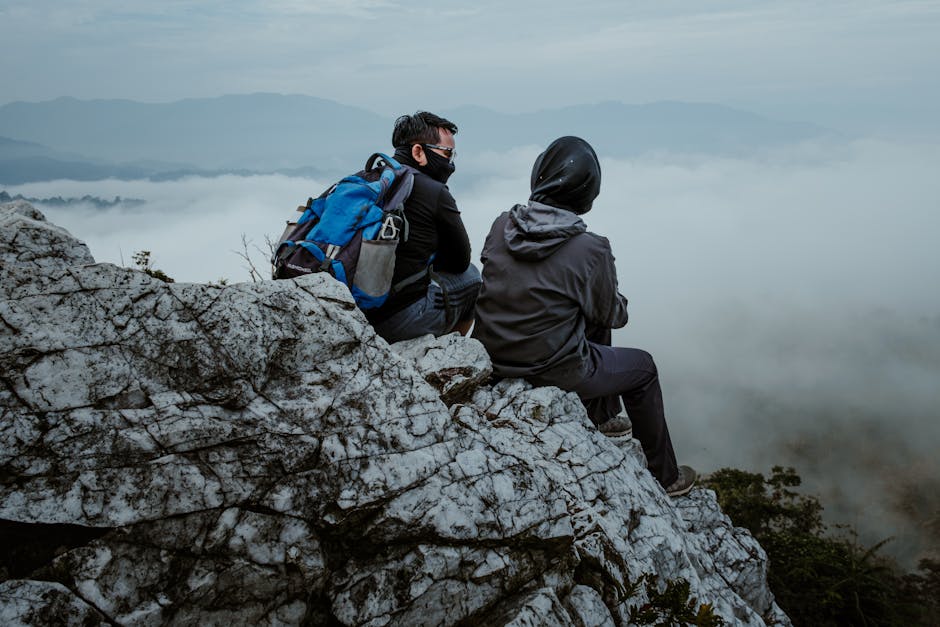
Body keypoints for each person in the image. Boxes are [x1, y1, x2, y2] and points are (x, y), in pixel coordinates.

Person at [471, 136, 696, 497]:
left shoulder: (502, 225)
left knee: (585, 313)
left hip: (492, 356)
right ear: (588, 191)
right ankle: (666, 478)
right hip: (551, 368)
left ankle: (603, 416)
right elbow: (614, 315)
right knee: (644, 368)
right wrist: (607, 292)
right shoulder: (591, 248)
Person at [365, 111, 481, 343]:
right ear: (418, 151)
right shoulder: (434, 192)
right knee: (473, 277)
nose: (451, 161)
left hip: (355, 313)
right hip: (398, 320)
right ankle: (452, 352)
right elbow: (460, 260)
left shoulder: (368, 179)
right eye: (447, 153)